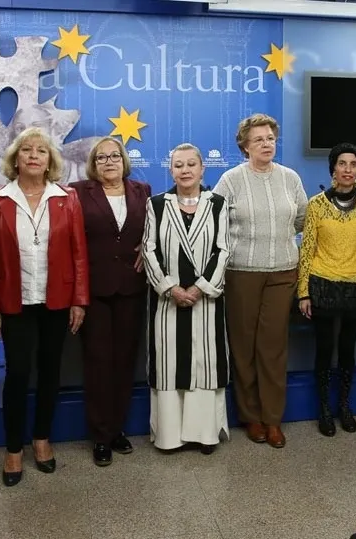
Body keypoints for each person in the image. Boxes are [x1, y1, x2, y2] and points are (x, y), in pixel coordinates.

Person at [0, 127, 89, 486]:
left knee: (50, 372)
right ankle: (13, 448)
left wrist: (79, 300)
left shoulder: (66, 198)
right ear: (16, 159)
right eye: (26, 150)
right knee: (18, 373)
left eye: (41, 151)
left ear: (49, 161)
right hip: (16, 302)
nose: (33, 155)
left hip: (57, 301)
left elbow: (79, 255)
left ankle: (41, 439)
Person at [213, 113, 308, 449]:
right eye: (259, 140)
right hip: (241, 274)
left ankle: (273, 419)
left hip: (283, 272)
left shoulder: (290, 178)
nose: (266, 144)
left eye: (270, 138)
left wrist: (277, 241)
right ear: (245, 146)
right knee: (243, 348)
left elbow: (301, 220)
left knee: (273, 348)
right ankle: (251, 417)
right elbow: (216, 225)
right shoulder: (229, 180)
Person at [142, 143, 231, 454]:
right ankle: (170, 436)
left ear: (202, 168)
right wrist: (170, 288)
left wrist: (200, 287)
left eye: (191, 164)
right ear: (171, 170)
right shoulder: (156, 205)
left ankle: (205, 434)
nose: (185, 170)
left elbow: (224, 250)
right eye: (179, 165)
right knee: (169, 364)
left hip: (205, 301)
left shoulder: (217, 204)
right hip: (167, 302)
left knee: (204, 363)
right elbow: (149, 250)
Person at [70, 136, 151, 466]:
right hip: (95, 290)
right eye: (101, 157)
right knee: (99, 363)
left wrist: (147, 251)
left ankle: (117, 429)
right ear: (93, 163)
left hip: (132, 288)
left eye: (114, 156)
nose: (108, 162)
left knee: (124, 362)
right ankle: (100, 435)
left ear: (124, 160)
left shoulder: (142, 191)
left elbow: (154, 231)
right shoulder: (77, 192)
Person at [297, 143, 356, 437]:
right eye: (342, 164)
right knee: (324, 349)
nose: (347, 169)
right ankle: (324, 410)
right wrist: (303, 292)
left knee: (347, 349)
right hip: (322, 283)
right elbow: (307, 249)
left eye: (353, 164)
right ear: (332, 169)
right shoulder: (316, 204)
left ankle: (344, 406)